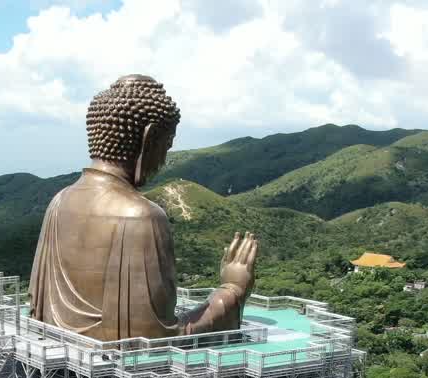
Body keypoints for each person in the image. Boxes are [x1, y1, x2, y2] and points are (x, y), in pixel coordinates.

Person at [29, 74, 259, 342]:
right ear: (149, 139)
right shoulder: (141, 217)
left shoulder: (59, 201)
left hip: (60, 362)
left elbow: (37, 313)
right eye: (166, 145)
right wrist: (232, 290)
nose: (163, 159)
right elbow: (157, 340)